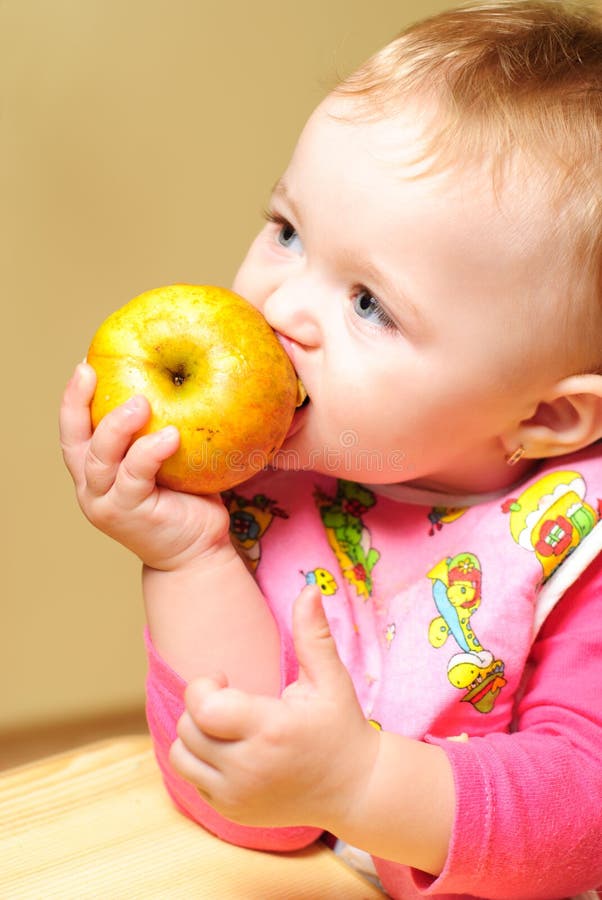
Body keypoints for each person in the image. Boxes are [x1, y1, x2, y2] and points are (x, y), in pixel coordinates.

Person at [59, 1, 602, 897]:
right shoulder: (279, 476)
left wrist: (366, 786)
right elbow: (246, 806)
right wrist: (186, 552)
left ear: (542, 419)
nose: (280, 309)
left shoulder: (576, 548)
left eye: (368, 305)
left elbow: (582, 819)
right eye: (287, 232)